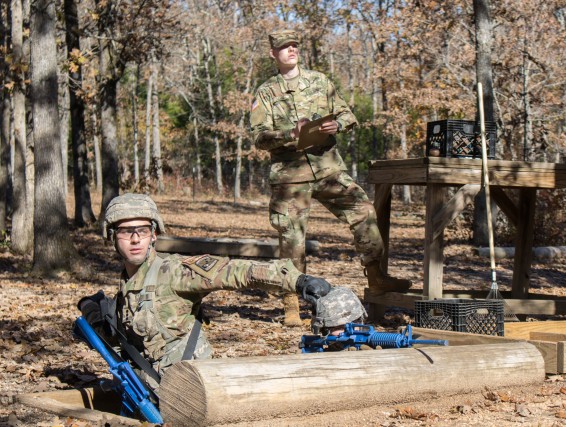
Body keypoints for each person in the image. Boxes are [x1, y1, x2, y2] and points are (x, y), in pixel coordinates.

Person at [76, 193, 344, 389]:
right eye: (125, 231)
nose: (135, 239)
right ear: (112, 237)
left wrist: (299, 281)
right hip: (152, 389)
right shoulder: (128, 286)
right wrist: (91, 310)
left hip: (193, 387)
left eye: (142, 230)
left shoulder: (175, 272)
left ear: (154, 234)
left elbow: (239, 272)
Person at [250, 29, 410, 326]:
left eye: (295, 45)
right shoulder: (266, 92)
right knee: (292, 241)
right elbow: (259, 138)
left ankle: (376, 277)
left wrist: (337, 124)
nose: (291, 50)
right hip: (291, 177)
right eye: (285, 47)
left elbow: (348, 115)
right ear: (274, 54)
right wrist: (289, 135)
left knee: (363, 211)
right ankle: (291, 304)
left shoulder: (319, 81)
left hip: (328, 168)